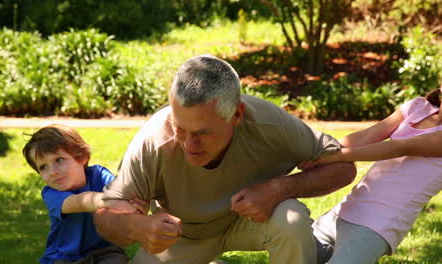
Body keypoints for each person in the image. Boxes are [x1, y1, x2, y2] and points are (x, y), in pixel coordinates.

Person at [94, 55, 357, 264]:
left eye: (203, 133)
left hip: (252, 221)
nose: (189, 144)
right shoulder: (152, 140)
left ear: (237, 114)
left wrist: (278, 188)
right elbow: (104, 216)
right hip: (183, 235)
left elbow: (342, 166)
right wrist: (137, 226)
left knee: (291, 220)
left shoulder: (267, 122)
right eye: (180, 129)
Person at [298, 87, 442, 263]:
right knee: (292, 253)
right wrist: (320, 152)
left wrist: (335, 157)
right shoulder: (418, 107)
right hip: (345, 210)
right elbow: (366, 135)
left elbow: (400, 148)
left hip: (378, 226)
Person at [23, 124, 149, 264]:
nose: (53, 171)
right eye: (43, 167)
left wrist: (136, 205)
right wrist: (110, 201)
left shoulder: (99, 175)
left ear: (81, 157)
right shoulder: (51, 194)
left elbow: (123, 191)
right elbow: (79, 202)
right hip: (63, 257)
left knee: (117, 260)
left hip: (105, 251)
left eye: (58, 160)